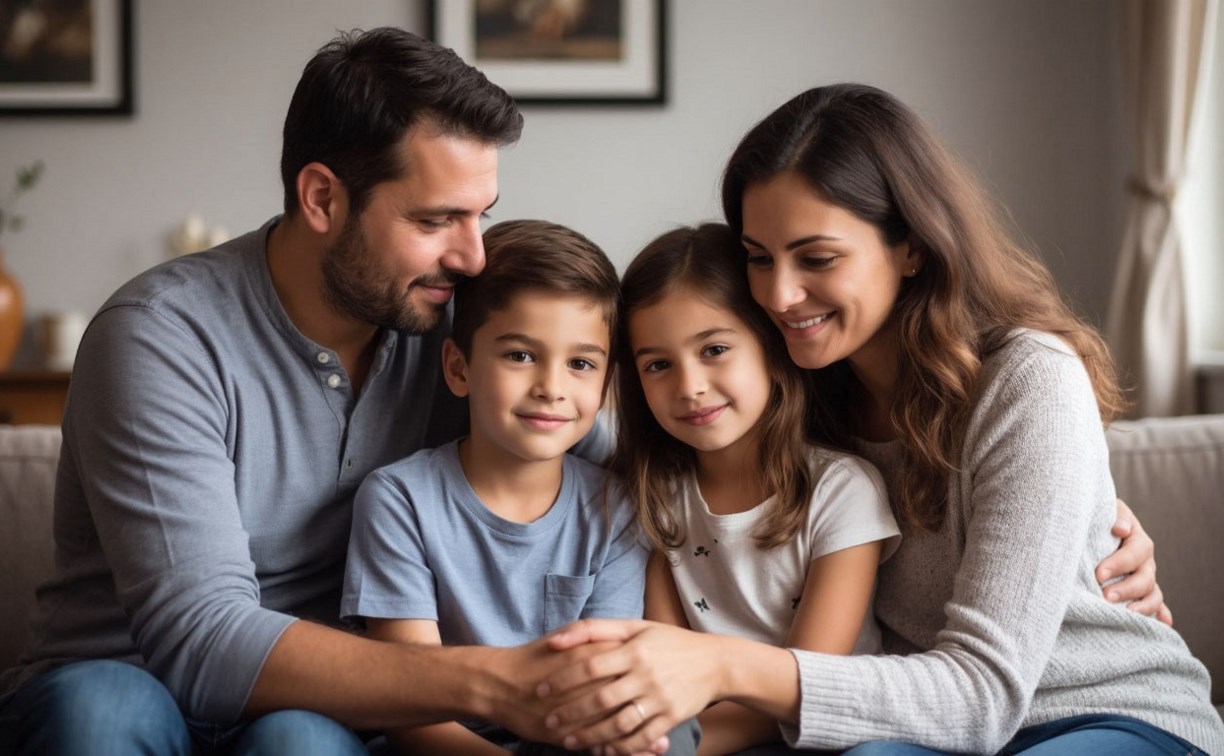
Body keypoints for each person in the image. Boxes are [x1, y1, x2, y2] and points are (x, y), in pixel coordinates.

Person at [535, 84, 1224, 755]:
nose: (778, 294)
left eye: (817, 258)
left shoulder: (1028, 378)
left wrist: (716, 666)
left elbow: (983, 695)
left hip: (1104, 713)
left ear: (912, 245)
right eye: (758, 258)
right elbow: (606, 442)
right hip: (913, 722)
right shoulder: (797, 389)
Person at [0, 28, 608, 756]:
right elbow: (200, 637)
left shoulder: (461, 334)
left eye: (481, 214)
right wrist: (494, 681)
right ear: (321, 197)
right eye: (435, 219)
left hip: (317, 715)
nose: (473, 254)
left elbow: (630, 453)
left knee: (304, 742)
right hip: (125, 686)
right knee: (102, 710)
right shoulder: (159, 335)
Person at [340, 219, 696, 755]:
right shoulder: (399, 499)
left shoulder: (615, 506)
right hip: (443, 745)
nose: (552, 387)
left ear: (604, 387)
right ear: (459, 369)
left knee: (672, 731)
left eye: (580, 364)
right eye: (520, 355)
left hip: (570, 739)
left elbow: (603, 688)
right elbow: (413, 716)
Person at [613, 223, 901, 755]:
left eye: (715, 349)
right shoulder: (655, 495)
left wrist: (679, 747)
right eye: (658, 365)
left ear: (770, 348)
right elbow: (666, 654)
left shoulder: (841, 492)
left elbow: (814, 678)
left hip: (825, 733)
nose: (689, 386)